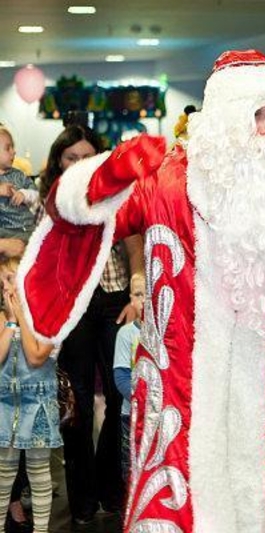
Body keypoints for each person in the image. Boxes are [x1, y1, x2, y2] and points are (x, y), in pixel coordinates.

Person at [18, 49, 265, 533]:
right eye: (257, 115)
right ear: (224, 121)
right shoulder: (165, 186)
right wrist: (104, 177)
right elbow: (73, 220)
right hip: (182, 417)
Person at [35, 124, 143, 525]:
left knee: (120, 398)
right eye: (71, 157)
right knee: (76, 403)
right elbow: (40, 255)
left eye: (86, 156)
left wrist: (137, 294)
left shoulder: (115, 193)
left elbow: (134, 242)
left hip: (115, 301)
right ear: (58, 162)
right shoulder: (49, 201)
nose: (79, 164)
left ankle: (111, 489)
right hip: (73, 308)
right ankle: (81, 497)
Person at [0, 257, 60, 533]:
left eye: (11, 279)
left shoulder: (50, 314)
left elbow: (36, 356)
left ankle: (41, 530)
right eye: (2, 281)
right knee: (3, 475)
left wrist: (22, 315)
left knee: (38, 473)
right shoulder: (3, 318)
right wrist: (11, 320)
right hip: (4, 404)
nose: (6, 287)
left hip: (37, 403)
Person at [112, 272, 145, 490]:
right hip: (131, 415)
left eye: (148, 293)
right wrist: (140, 400)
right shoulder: (126, 334)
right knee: (130, 466)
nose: (143, 300)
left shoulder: (170, 332)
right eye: (137, 294)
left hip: (160, 415)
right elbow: (121, 376)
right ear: (131, 299)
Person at [0, 127, 38, 250]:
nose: (13, 151)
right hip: (4, 231)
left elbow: (36, 193)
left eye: (13, 147)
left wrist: (24, 194)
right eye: (8, 148)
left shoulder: (18, 175)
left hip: (25, 228)